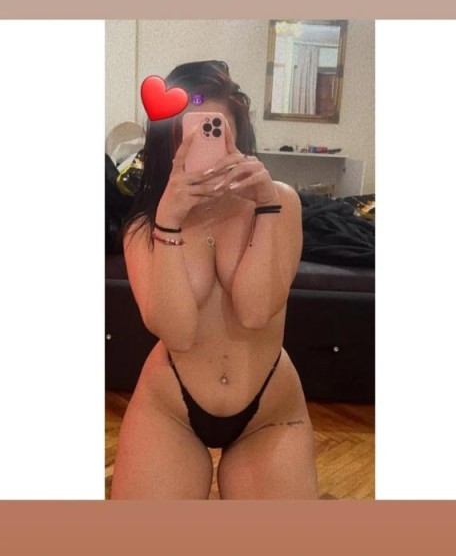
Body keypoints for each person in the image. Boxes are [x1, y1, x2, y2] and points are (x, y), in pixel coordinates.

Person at [111, 60, 319, 499]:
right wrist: (169, 221)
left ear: (237, 134)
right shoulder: (143, 228)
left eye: (215, 129)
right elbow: (178, 332)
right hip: (170, 408)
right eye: (186, 133)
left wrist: (265, 208)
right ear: (166, 142)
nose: (201, 143)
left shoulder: (280, 202)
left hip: (269, 410)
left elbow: (256, 311)